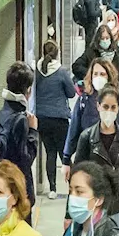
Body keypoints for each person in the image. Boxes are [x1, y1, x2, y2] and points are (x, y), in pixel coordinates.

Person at [71, 87, 119, 236]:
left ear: (118, 109)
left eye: (113, 107)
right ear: (98, 106)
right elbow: (76, 174)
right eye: (105, 107)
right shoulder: (87, 137)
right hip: (93, 205)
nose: (109, 111)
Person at [34, 41, 77, 200]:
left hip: (42, 118)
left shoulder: (37, 70)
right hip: (59, 118)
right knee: (64, 153)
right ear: (57, 53)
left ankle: (52, 188)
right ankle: (74, 186)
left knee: (50, 152)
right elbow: (72, 93)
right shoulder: (61, 72)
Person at [64, 58, 119, 168]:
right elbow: (73, 129)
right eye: (95, 74)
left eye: (102, 74)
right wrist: (66, 159)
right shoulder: (84, 100)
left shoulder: (118, 100)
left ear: (109, 77)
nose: (98, 77)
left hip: (112, 159)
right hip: (88, 157)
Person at [0, 62, 40, 214]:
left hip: (5, 187)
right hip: (20, 191)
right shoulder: (21, 119)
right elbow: (26, 159)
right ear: (28, 91)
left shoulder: (1, 114)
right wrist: (33, 130)